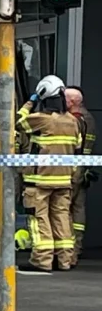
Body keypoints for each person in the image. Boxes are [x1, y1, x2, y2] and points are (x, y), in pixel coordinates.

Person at [16, 76, 81, 273]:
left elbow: (16, 122)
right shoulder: (73, 121)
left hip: (39, 182)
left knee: (39, 219)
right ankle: (64, 260)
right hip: (64, 180)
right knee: (62, 219)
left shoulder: (42, 120)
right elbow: (76, 147)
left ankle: (42, 260)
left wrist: (31, 100)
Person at [65, 86, 96, 268]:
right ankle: (74, 250)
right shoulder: (88, 118)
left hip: (71, 170)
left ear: (73, 102)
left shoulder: (75, 120)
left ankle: (69, 252)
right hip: (81, 169)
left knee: (65, 210)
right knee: (77, 210)